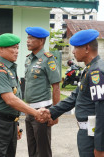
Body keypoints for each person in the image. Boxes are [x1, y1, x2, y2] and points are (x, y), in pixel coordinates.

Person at [44, 29, 104, 157]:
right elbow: (75, 97)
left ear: (87, 48)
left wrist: (100, 147)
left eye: (76, 47)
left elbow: (103, 112)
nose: (73, 51)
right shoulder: (90, 69)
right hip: (87, 134)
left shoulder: (96, 72)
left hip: (94, 137)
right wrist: (51, 112)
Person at [0, 33, 50, 157]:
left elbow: (15, 99)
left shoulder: (10, 69)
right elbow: (10, 100)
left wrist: (16, 123)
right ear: (1, 49)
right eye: (13, 48)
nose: (16, 51)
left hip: (10, 123)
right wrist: (36, 113)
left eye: (17, 47)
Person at [24, 27, 61, 157]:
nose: (27, 41)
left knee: (43, 151)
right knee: (32, 151)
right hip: (29, 111)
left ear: (41, 41)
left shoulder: (48, 60)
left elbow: (56, 87)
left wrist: (55, 114)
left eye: (31, 38)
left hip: (43, 111)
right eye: (27, 37)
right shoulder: (29, 59)